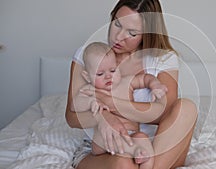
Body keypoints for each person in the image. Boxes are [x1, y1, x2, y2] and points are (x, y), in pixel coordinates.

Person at [65, 0, 198, 168]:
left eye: (132, 33)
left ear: (147, 34)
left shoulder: (162, 59)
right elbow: (71, 117)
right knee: (123, 163)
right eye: (117, 24)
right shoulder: (91, 55)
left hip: (154, 146)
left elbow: (163, 113)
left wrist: (111, 103)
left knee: (187, 108)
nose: (119, 37)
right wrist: (102, 118)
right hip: (103, 150)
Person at [72, 41, 168, 169]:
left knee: (142, 138)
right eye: (100, 74)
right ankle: (135, 151)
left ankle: (145, 163)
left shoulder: (126, 82)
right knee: (106, 134)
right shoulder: (91, 90)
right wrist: (91, 102)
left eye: (112, 70)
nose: (108, 76)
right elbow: (74, 105)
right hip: (102, 141)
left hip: (132, 135)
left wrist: (155, 85)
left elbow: (145, 78)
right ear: (87, 76)